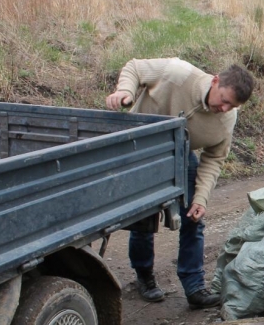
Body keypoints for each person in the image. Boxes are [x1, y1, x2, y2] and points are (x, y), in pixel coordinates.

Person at [106, 58, 255, 309]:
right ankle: (145, 277)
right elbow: (134, 67)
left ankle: (194, 286)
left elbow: (214, 159)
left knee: (194, 218)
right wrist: (125, 91)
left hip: (180, 154)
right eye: (224, 100)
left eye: (233, 106)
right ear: (215, 80)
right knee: (144, 218)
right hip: (142, 147)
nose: (225, 108)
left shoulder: (227, 118)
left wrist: (200, 198)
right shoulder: (177, 73)